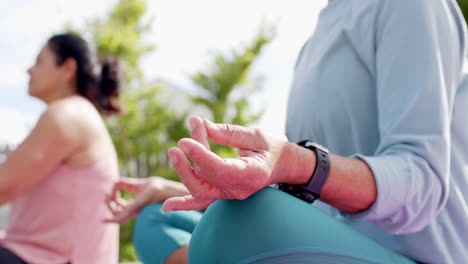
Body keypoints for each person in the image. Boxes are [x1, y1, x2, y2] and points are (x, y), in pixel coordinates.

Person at [109, 0, 468, 263]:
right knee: (158, 216)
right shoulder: (312, 45)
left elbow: (422, 182)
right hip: (331, 237)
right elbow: (313, 195)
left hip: (419, 256)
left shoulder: (411, 6)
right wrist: (223, 182)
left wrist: (296, 163)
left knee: (239, 223)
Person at [0, 33, 122, 264]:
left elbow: (2, 186)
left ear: (67, 68)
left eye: (39, 61)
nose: (29, 70)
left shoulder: (69, 114)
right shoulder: (77, 114)